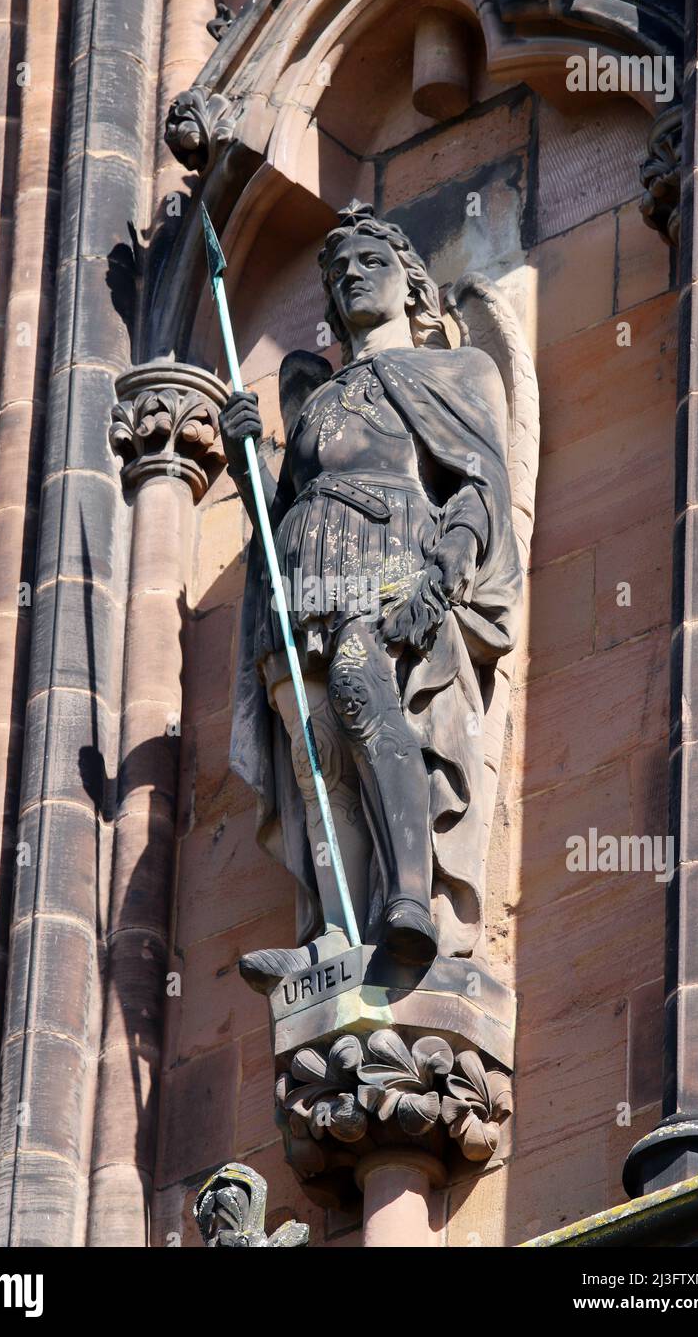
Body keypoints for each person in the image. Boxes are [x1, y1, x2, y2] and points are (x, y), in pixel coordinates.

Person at [221, 202, 521, 993]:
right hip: (304, 570)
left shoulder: (453, 373)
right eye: (338, 269)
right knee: (315, 748)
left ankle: (410, 902)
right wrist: (247, 465)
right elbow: (283, 510)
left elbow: (479, 487)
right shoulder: (317, 397)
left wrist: (448, 566)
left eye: (369, 262)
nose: (351, 274)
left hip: (390, 553)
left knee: (361, 686)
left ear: (410, 281)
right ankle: (334, 934)